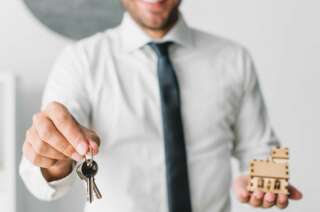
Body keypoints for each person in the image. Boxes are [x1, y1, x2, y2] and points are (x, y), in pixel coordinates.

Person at [19, 0, 303, 211]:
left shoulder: (233, 59)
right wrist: (54, 160)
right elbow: (40, 180)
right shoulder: (80, 61)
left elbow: (259, 149)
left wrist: (261, 181)